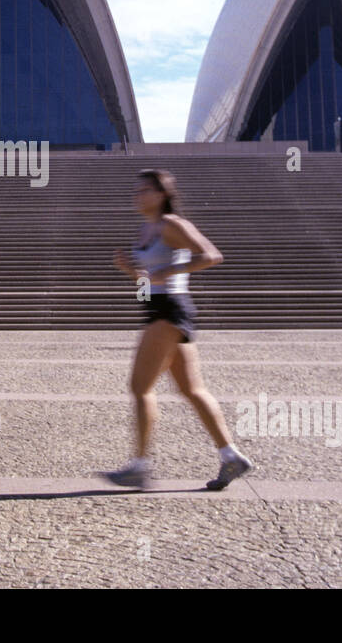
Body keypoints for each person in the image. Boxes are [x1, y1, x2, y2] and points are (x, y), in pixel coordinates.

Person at [98, 168, 253, 491]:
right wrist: (132, 271)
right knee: (191, 389)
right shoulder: (146, 229)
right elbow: (149, 279)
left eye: (144, 191)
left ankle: (140, 466)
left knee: (140, 387)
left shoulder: (173, 225)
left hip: (169, 310)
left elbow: (211, 255)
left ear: (162, 194)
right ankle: (231, 455)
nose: (137, 196)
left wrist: (169, 269)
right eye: (136, 190)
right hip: (159, 307)